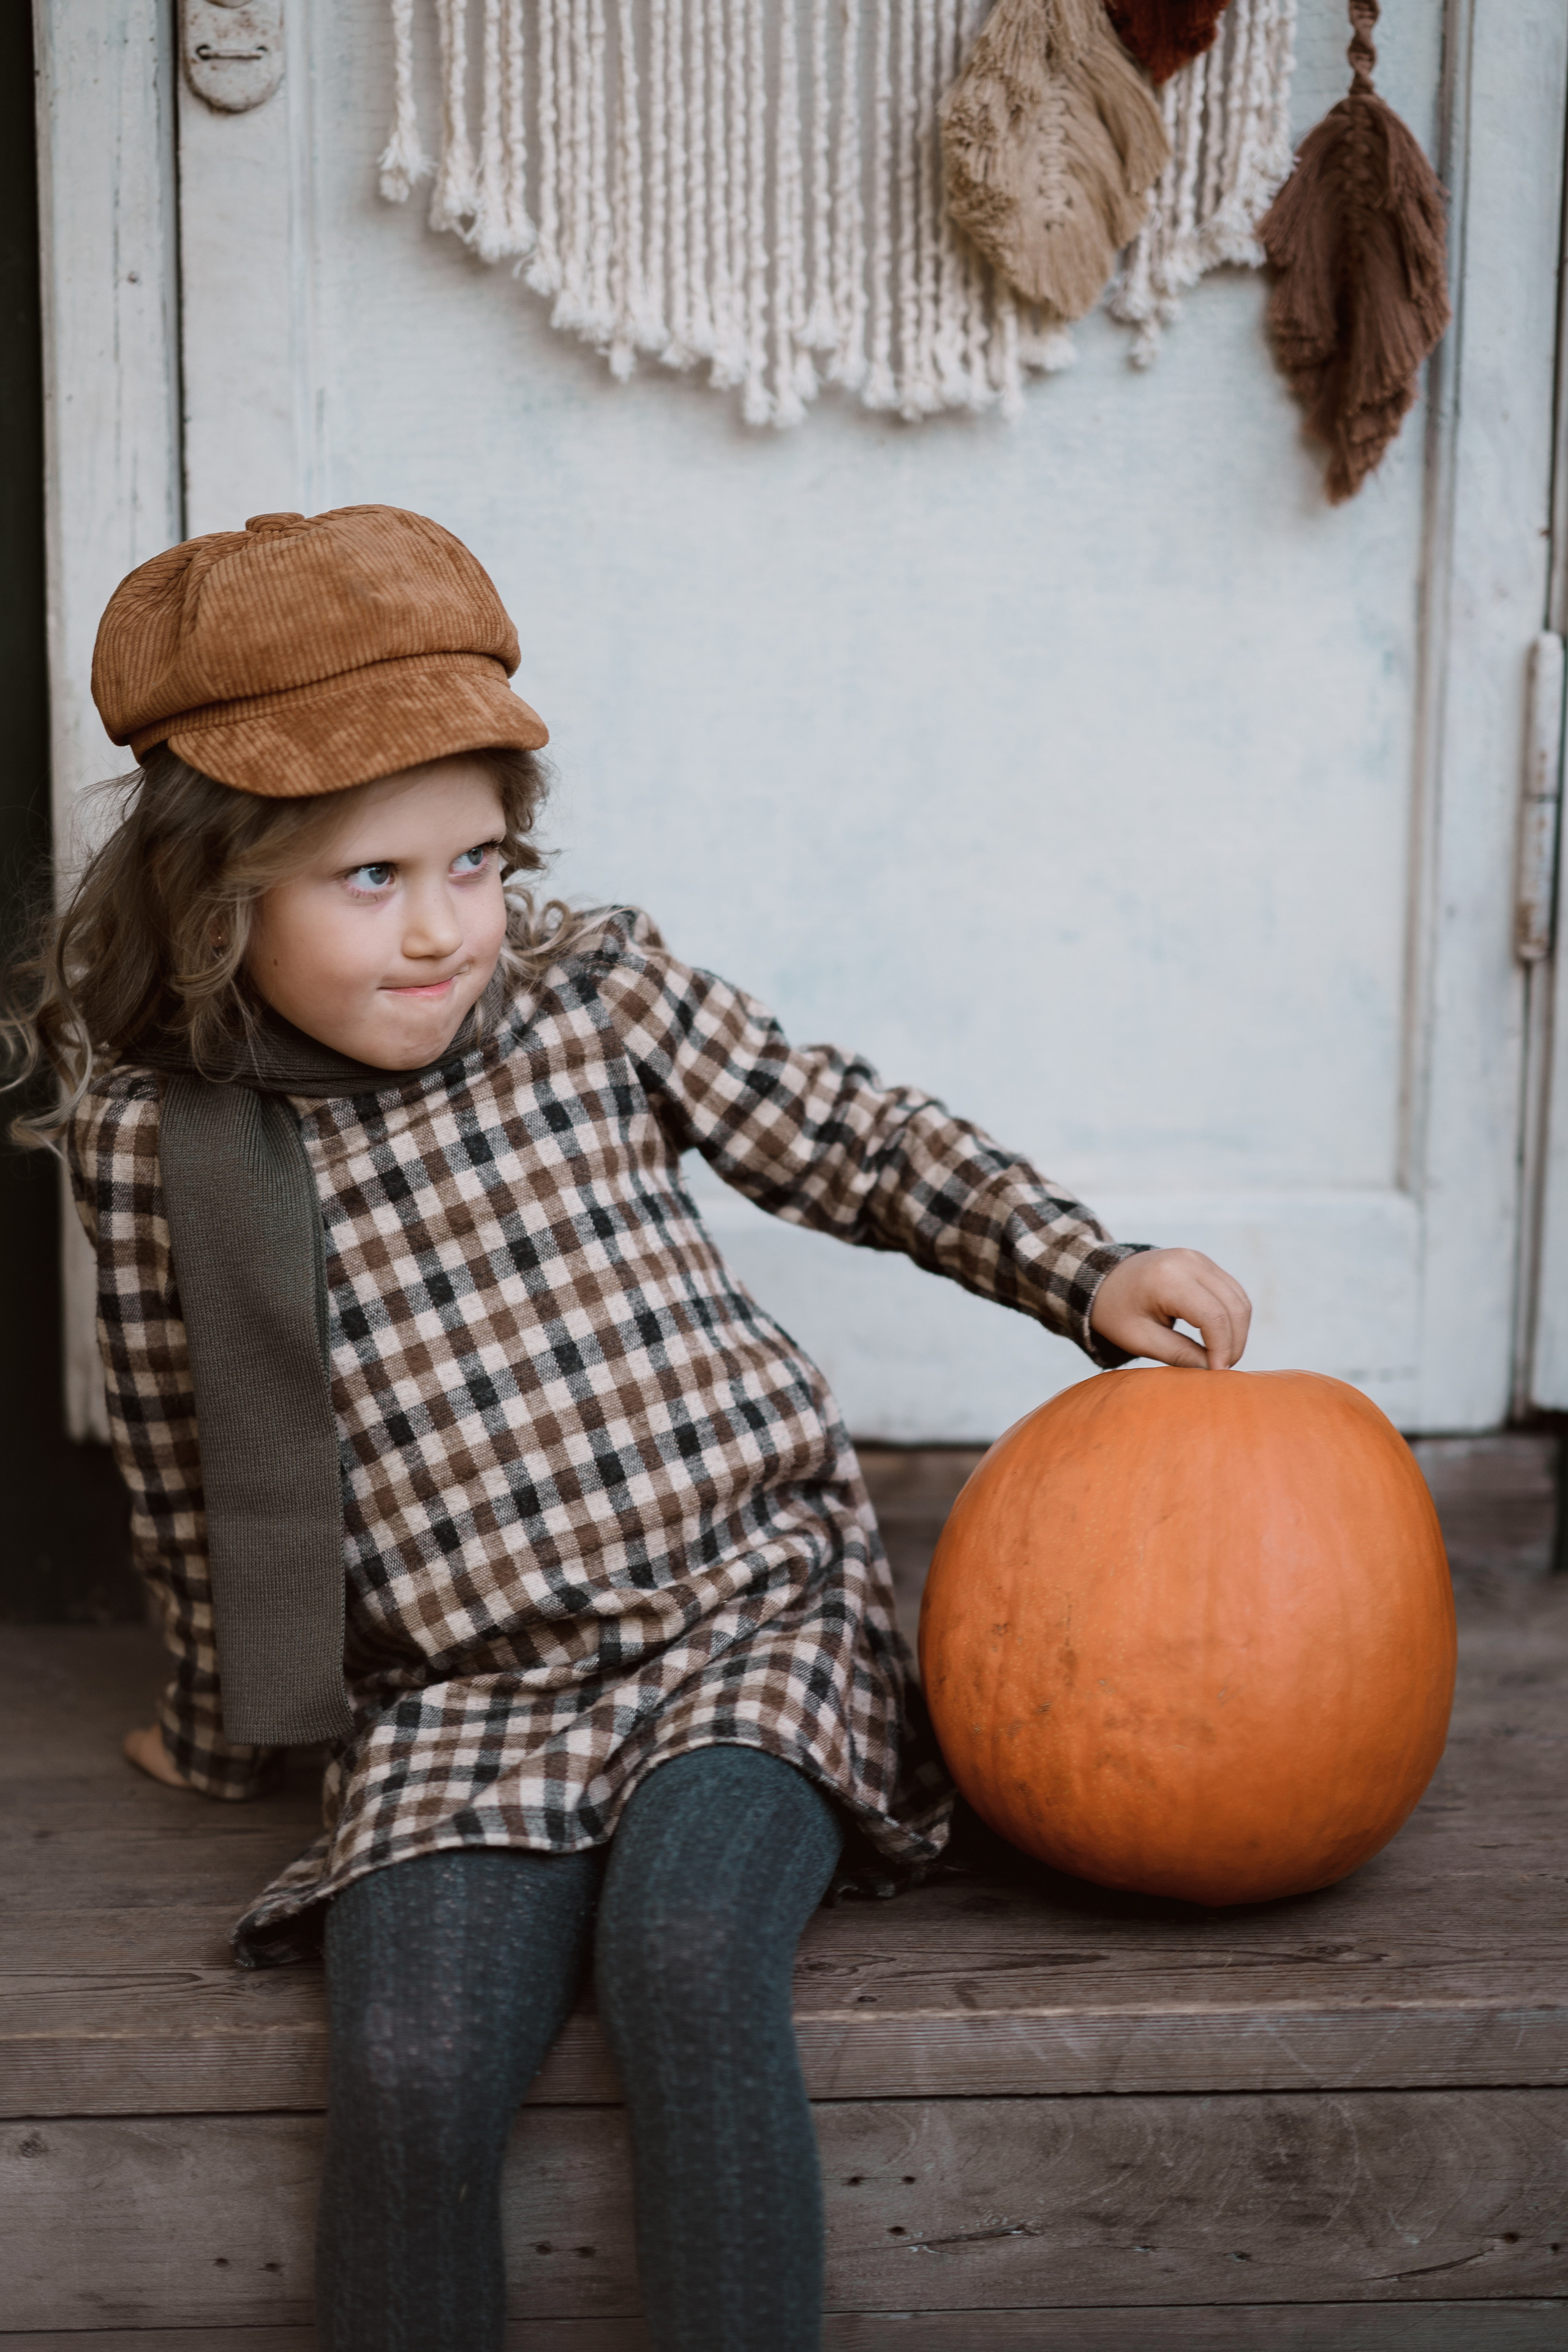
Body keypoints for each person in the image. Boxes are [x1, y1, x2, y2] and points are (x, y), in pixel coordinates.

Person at [6, 505, 1251, 2352]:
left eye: (477, 860)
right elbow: (201, 1471)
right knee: (415, 2060)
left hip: (746, 1607)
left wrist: (1084, 1268)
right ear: (214, 900)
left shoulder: (588, 994)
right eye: (370, 880)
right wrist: (219, 1722)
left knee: (685, 1957)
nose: (445, 930)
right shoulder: (163, 1147)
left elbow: (854, 1139)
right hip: (464, 1688)